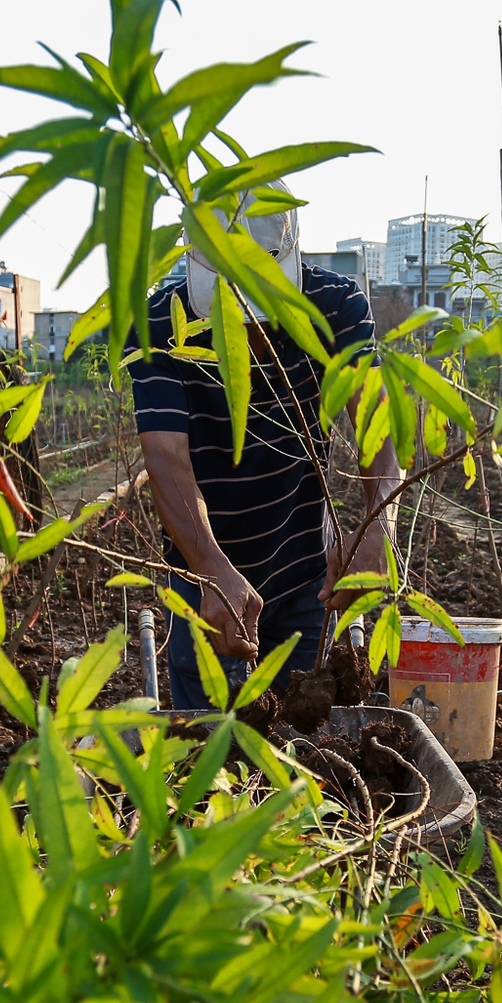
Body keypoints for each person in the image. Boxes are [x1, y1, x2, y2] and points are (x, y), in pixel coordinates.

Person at [126, 201, 399, 710]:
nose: (247, 330)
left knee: (304, 747)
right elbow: (165, 458)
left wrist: (379, 526)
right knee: (204, 756)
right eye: (228, 310)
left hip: (305, 578)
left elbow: (374, 425)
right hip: (203, 577)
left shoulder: (335, 306)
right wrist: (210, 569)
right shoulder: (159, 323)